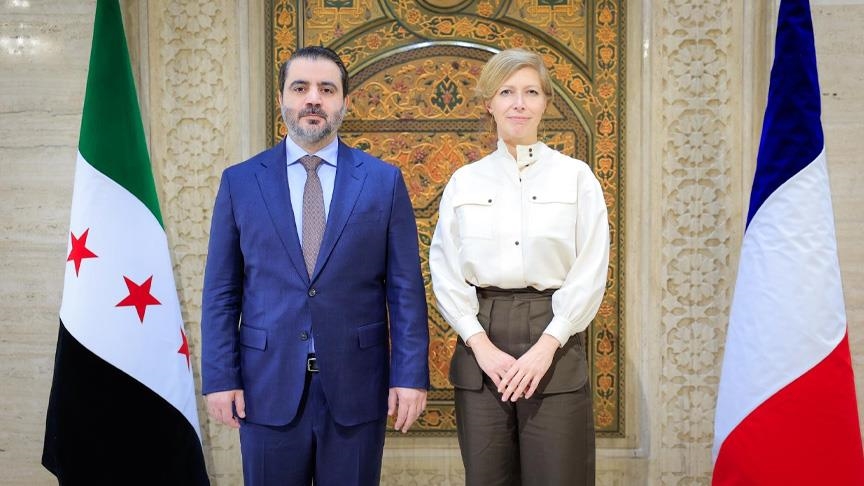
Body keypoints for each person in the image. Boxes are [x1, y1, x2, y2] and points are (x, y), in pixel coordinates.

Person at [201, 45, 430, 486]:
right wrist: (220, 378)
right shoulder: (240, 182)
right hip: (265, 387)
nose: (313, 99)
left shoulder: (383, 181)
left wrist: (410, 377)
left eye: (327, 89)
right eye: (300, 88)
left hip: (357, 388)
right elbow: (221, 293)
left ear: (345, 102)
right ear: (282, 99)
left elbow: (405, 291)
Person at [429, 48, 610, 486]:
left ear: (546, 102)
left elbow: (591, 267)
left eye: (531, 92)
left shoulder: (577, 178)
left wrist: (547, 345)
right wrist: (481, 345)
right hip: (481, 343)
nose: (519, 103)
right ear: (489, 102)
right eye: (507, 92)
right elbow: (445, 269)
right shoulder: (465, 182)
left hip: (554, 338)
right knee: (488, 477)